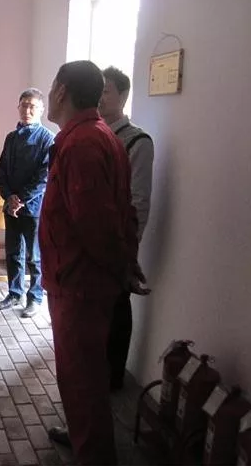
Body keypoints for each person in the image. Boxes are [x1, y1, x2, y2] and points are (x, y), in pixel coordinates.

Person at [40, 61, 144, 465]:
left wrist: (122, 268)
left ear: (61, 91)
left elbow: (96, 225)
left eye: (52, 87)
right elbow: (122, 212)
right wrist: (126, 263)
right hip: (80, 279)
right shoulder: (98, 135)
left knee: (82, 377)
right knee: (83, 375)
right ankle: (84, 436)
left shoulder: (83, 143)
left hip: (79, 283)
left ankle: (94, 455)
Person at [100, 66, 154, 390]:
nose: (100, 98)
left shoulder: (136, 141)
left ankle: (113, 379)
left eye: (106, 91)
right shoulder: (93, 135)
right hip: (93, 240)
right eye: (98, 91)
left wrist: (128, 251)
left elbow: (139, 202)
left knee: (117, 307)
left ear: (123, 95)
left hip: (117, 242)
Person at [0, 88, 54, 317]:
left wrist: (21, 198)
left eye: (32, 106)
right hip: (11, 207)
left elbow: (44, 176)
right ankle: (14, 293)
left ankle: (35, 297)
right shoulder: (12, 137)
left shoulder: (47, 139)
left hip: (34, 208)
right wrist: (8, 196)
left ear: (41, 110)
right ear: (18, 107)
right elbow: (2, 170)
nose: (27, 110)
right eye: (24, 105)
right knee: (13, 253)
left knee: (35, 256)